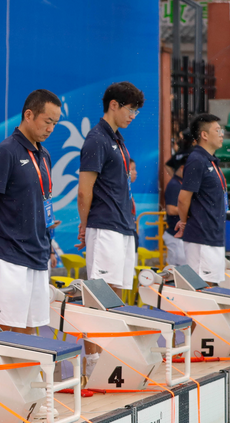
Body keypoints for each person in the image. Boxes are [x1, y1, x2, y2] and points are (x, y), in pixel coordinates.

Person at [0, 89, 60, 335]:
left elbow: (43, 201)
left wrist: (49, 245)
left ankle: (30, 374)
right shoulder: (6, 151)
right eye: (47, 121)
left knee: (31, 328)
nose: (51, 129)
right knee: (4, 330)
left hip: (37, 254)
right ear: (28, 114)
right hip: (8, 255)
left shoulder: (43, 155)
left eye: (55, 124)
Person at [78, 82, 144, 299]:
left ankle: (108, 334)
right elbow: (84, 190)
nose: (133, 116)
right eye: (131, 109)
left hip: (123, 226)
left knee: (114, 295)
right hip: (105, 227)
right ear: (114, 105)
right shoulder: (97, 139)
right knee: (101, 295)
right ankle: (94, 334)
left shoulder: (118, 141)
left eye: (137, 111)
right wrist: (85, 225)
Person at [176, 113, 227, 284]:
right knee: (201, 288)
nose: (222, 134)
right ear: (204, 135)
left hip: (213, 234)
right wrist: (183, 222)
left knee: (211, 286)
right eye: (217, 130)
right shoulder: (197, 159)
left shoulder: (210, 161)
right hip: (201, 237)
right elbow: (183, 198)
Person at [163, 151, 188, 266]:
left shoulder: (182, 183)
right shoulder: (174, 185)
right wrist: (191, 210)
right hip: (175, 236)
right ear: (182, 168)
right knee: (175, 273)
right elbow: (171, 209)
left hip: (181, 237)